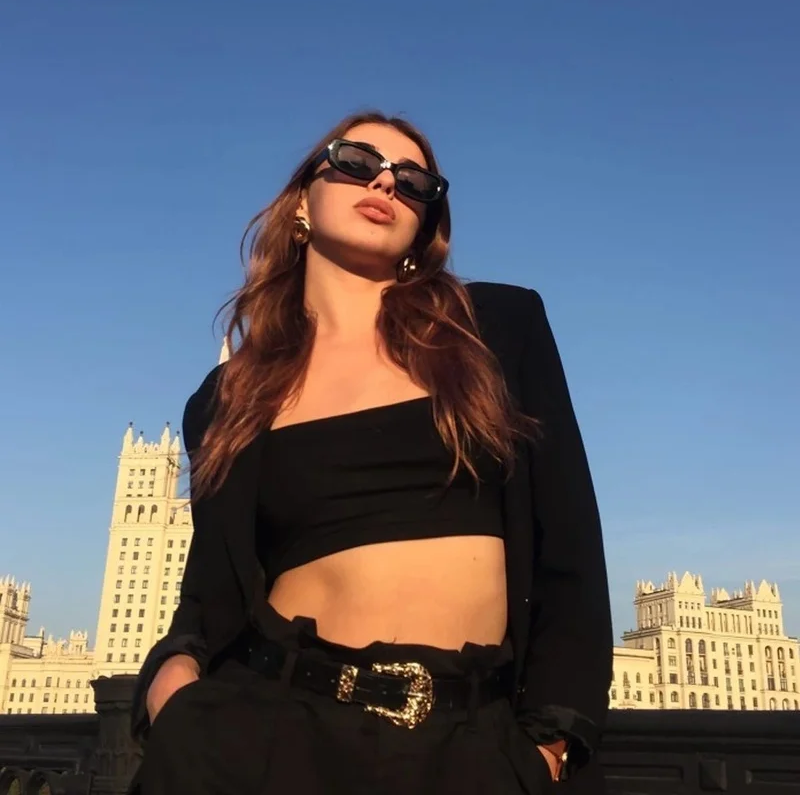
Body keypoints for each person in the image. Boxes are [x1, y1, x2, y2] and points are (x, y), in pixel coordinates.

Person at [128, 111, 613, 795]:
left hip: (470, 746)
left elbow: (570, 546)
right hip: (265, 735)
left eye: (414, 182)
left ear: (423, 224)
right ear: (302, 201)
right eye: (356, 162)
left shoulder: (495, 329)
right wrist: (172, 696)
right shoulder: (229, 395)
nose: (385, 182)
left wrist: (550, 747)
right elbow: (210, 594)